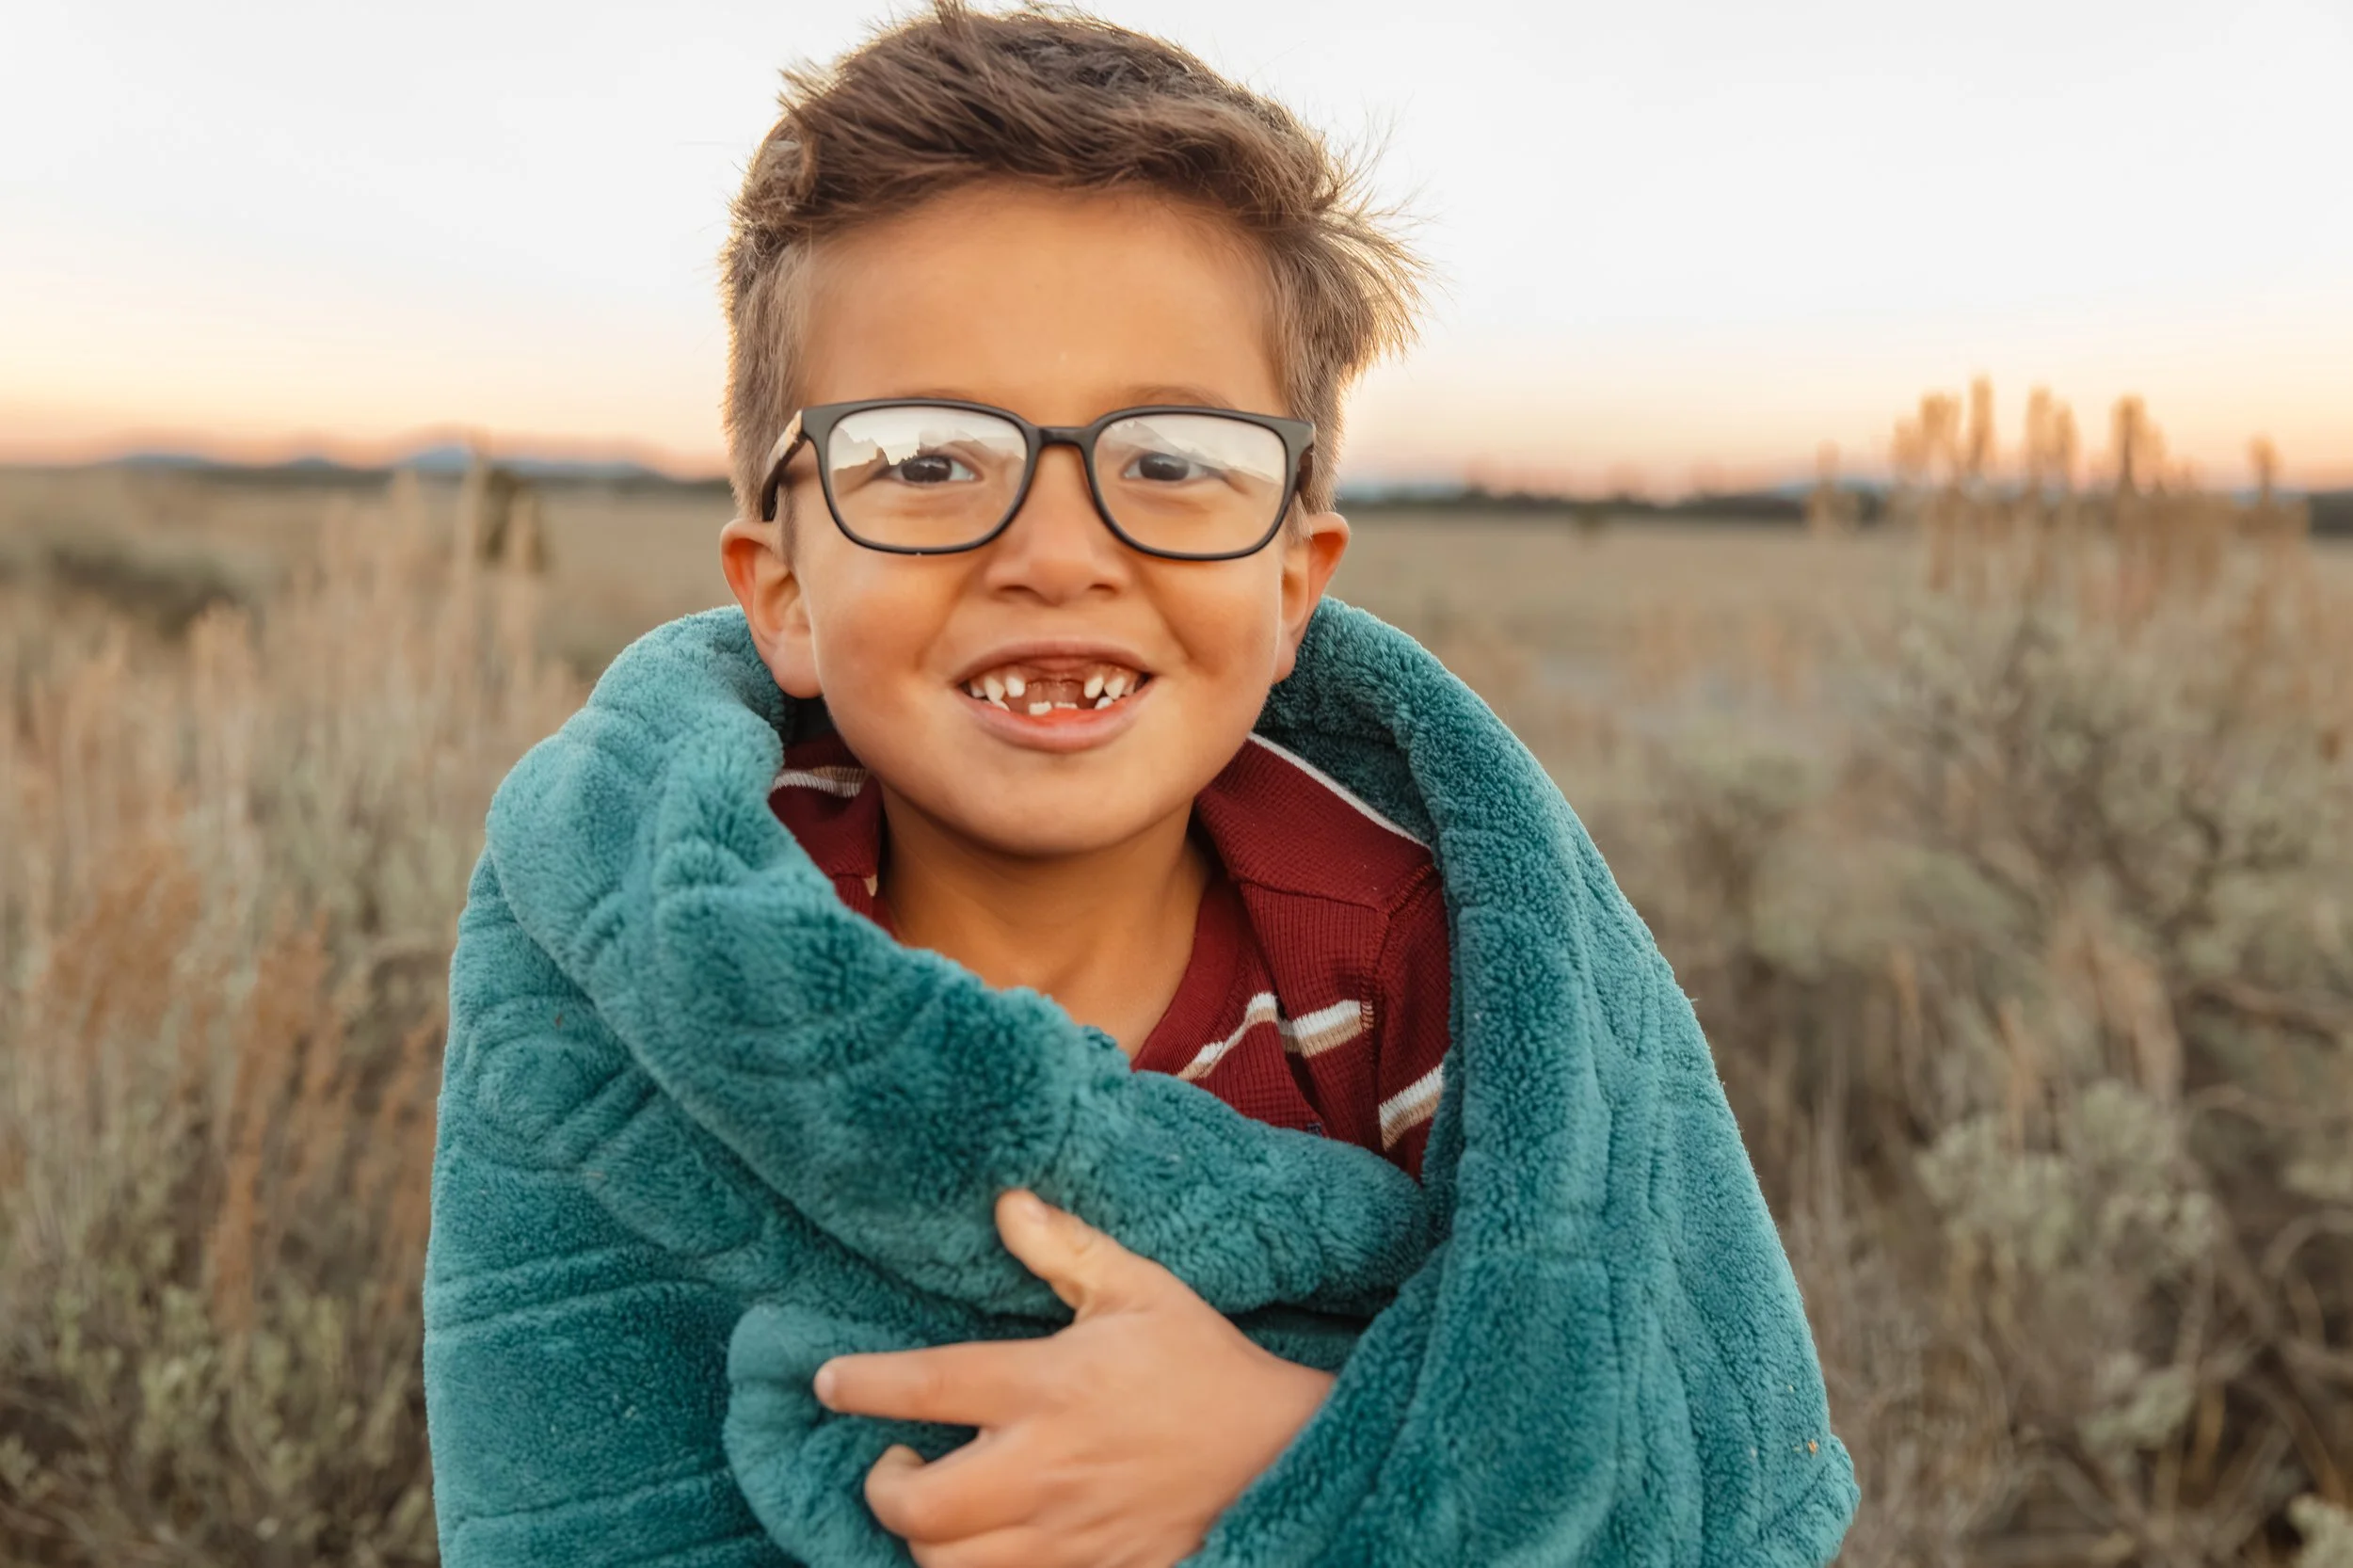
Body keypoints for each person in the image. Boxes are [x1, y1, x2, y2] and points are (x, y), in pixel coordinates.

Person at [423, 7, 1856, 1566]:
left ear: (1295, 584)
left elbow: (1626, 1441)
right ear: (782, 594)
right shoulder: (658, 956)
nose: (1055, 551)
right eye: (924, 460)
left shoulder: (1415, 963)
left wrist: (1293, 1455)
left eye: (1174, 460)